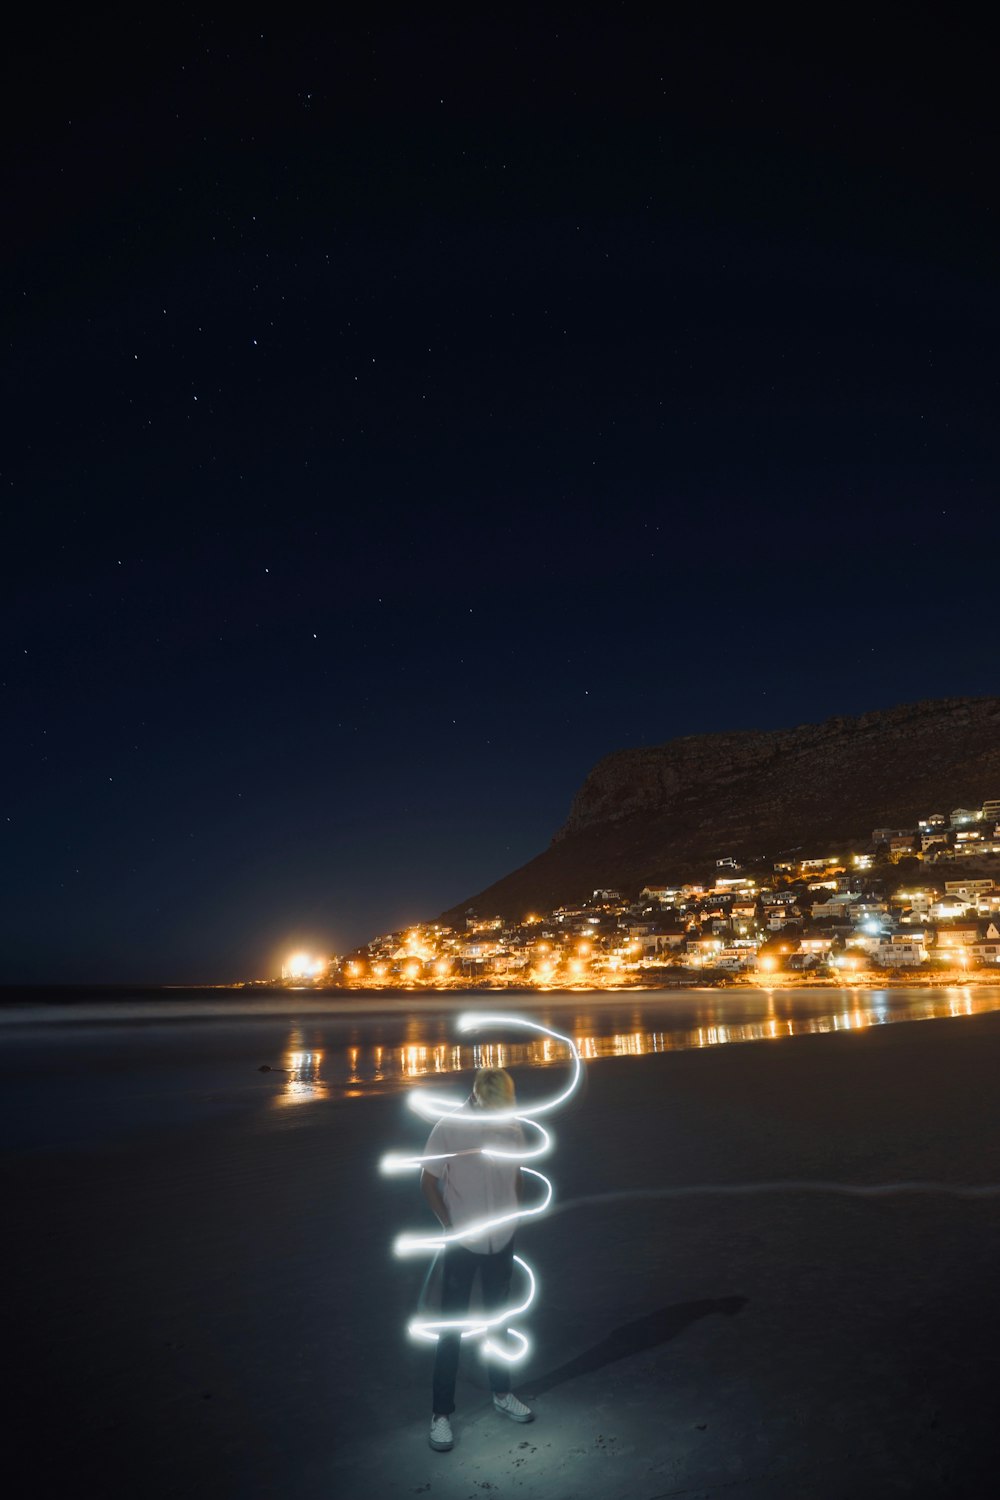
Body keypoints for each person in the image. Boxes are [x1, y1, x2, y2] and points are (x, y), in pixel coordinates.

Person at [420, 1066, 535, 1452]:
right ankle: (440, 1415)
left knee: (498, 1321)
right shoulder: (450, 1126)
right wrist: (450, 1225)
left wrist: (513, 1214)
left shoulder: (511, 1125)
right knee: (450, 1329)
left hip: (501, 1241)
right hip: (463, 1242)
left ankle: (501, 1393)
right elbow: (428, 1180)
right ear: (478, 1096)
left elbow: (516, 1174)